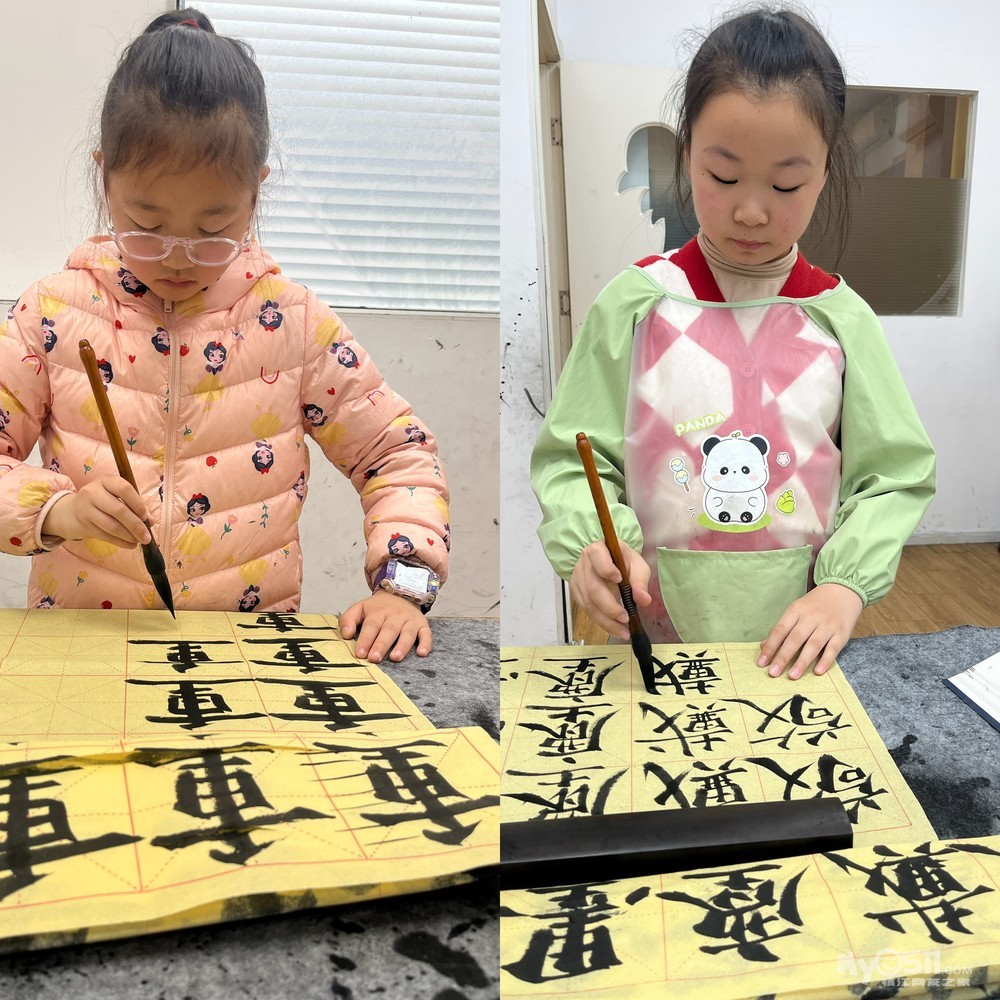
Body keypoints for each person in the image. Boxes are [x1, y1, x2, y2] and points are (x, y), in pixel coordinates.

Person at [0, 10, 449, 665]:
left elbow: (398, 454)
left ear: (255, 194)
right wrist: (55, 510)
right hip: (86, 650)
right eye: (147, 224)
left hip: (245, 659)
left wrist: (402, 590)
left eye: (214, 229)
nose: (178, 257)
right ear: (104, 179)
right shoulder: (51, 314)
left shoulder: (291, 322)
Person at [531, 6, 935, 680]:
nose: (751, 210)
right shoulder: (635, 304)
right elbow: (575, 460)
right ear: (687, 153)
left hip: (799, 649)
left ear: (826, 171)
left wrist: (845, 587)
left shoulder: (841, 320)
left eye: (786, 184)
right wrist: (590, 548)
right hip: (652, 642)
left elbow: (893, 477)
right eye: (722, 177)